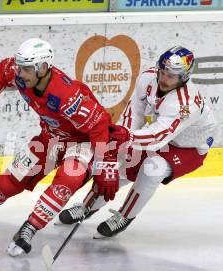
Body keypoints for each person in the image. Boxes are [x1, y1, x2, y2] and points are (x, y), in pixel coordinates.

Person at [0, 38, 120, 256]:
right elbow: (2, 71)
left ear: (43, 68)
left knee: (68, 179)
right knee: (11, 181)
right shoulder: (17, 72)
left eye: (26, 69)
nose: (20, 73)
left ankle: (29, 229)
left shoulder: (67, 96)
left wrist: (106, 164)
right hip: (50, 137)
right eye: (20, 67)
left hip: (81, 143)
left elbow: (100, 124)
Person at [57, 46, 216, 238]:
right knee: (122, 164)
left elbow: (158, 136)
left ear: (184, 77)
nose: (164, 78)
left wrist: (129, 137)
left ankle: (125, 216)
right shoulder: (148, 77)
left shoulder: (185, 104)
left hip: (188, 146)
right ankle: (86, 206)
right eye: (163, 72)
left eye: (171, 76)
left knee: (152, 168)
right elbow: (135, 112)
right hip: (160, 134)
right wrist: (124, 136)